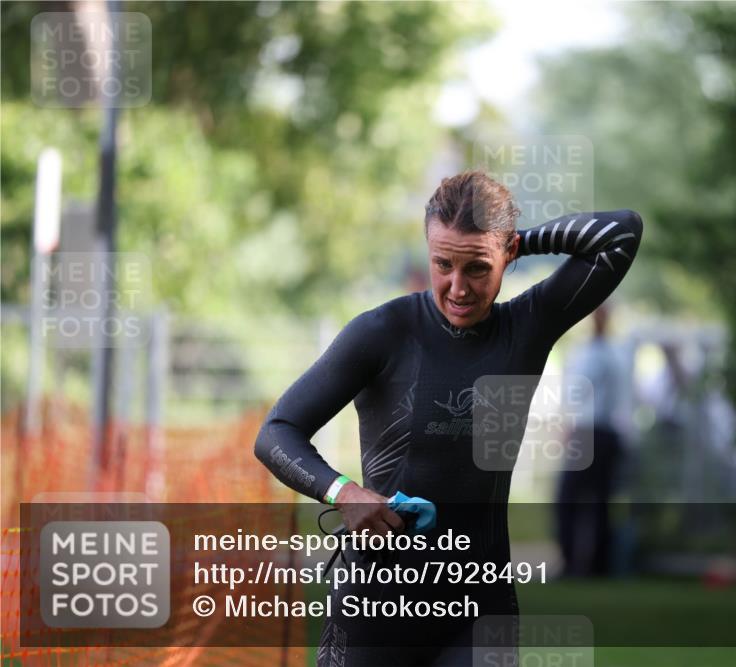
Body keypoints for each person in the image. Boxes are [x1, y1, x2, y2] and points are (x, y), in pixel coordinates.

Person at [254, 170, 642, 666]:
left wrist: (519, 240)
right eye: (442, 264)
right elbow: (276, 432)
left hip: (480, 609)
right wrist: (343, 493)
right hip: (376, 605)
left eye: (477, 267)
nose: (457, 288)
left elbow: (622, 233)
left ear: (508, 255)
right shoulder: (382, 332)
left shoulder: (527, 326)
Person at [556, 303, 628, 576]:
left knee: (574, 499)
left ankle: (580, 563)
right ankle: (592, 564)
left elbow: (581, 394)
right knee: (595, 501)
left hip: (592, 431)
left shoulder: (601, 353)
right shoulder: (610, 353)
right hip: (598, 432)